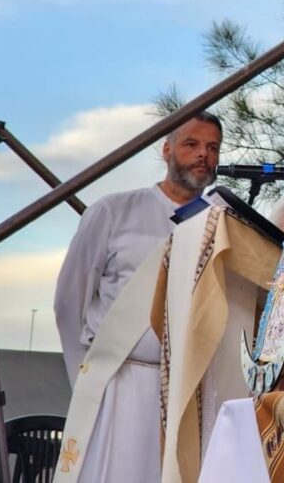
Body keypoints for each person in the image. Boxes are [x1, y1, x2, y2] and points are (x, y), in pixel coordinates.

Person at [54, 111, 223, 482]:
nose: (203, 156)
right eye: (192, 144)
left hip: (186, 391)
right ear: (166, 149)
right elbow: (69, 302)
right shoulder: (113, 211)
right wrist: (86, 378)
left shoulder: (222, 223)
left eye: (212, 148)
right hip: (117, 384)